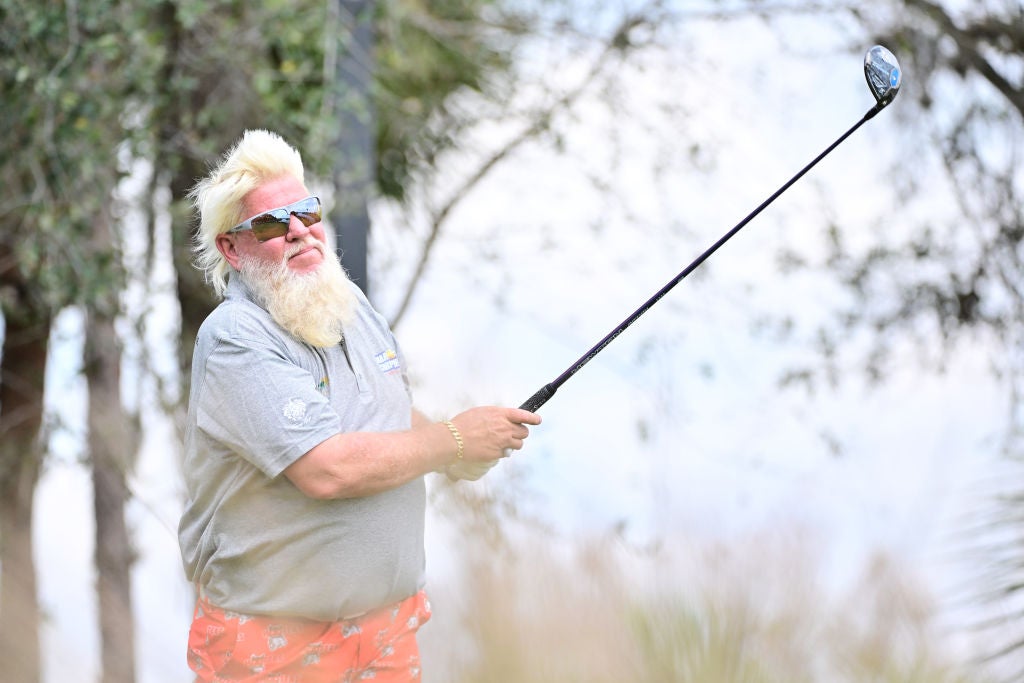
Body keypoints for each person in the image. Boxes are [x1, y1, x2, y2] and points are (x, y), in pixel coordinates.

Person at [177, 128, 541, 682]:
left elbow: (389, 415)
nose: (300, 231)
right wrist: (453, 439)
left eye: (307, 211)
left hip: (387, 632)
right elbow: (327, 469)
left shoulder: (347, 301)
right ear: (232, 247)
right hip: (274, 647)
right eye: (273, 224)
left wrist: (452, 450)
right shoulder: (235, 337)